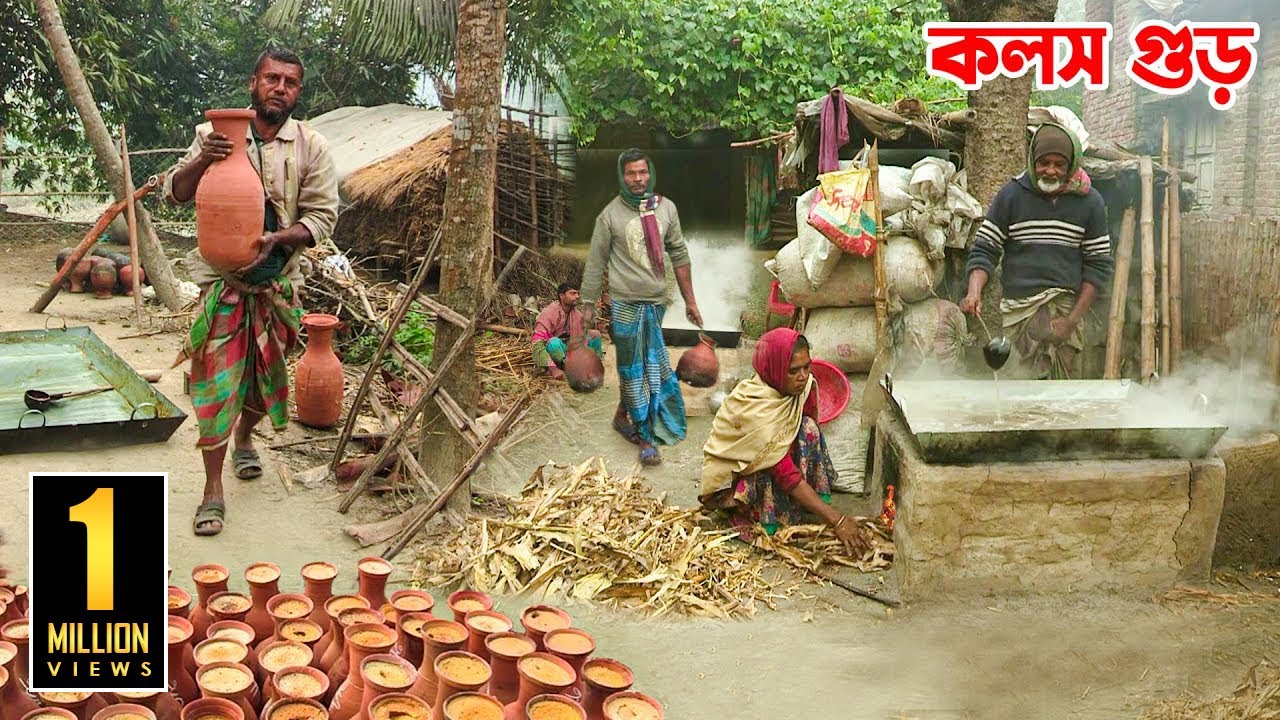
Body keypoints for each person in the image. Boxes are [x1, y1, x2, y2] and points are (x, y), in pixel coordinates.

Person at [164, 48, 339, 536]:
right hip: (222, 284)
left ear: (298, 91)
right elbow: (176, 192)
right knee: (217, 384)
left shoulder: (310, 145)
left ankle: (245, 437)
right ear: (253, 83)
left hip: (278, 284)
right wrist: (204, 158)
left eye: (290, 82)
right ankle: (212, 490)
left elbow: (323, 216)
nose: (279, 88)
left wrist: (279, 238)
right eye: (271, 78)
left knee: (264, 379)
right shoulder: (211, 135)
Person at [960, 122, 1112, 379]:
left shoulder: (1090, 202)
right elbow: (985, 248)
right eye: (1044, 163)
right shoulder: (1011, 195)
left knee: (1063, 396)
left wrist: (1071, 322)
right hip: (1018, 316)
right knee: (1016, 393)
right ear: (1032, 160)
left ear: (1071, 165)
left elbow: (1098, 268)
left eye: (1059, 164)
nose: (1050, 171)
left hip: (1064, 315)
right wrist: (974, 292)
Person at [580, 149, 702, 466]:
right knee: (634, 369)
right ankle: (646, 436)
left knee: (649, 364)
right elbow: (595, 262)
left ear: (651, 173)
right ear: (622, 177)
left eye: (643, 172)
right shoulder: (610, 216)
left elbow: (680, 255)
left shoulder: (666, 209)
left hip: (657, 302)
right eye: (631, 173)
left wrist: (690, 300)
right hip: (625, 304)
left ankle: (623, 416)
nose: (638, 179)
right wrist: (588, 304)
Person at [698, 328, 865, 555]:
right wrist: (836, 519)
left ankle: (798, 504)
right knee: (769, 458)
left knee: (808, 429)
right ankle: (761, 516)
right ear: (774, 369)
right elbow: (783, 471)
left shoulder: (803, 388)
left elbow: (800, 431)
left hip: (783, 467)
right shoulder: (752, 405)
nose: (803, 376)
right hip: (748, 478)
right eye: (793, 371)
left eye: (807, 367)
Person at [532, 281, 603, 379]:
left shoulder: (576, 314)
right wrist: (553, 369)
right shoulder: (549, 313)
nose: (577, 296)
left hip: (569, 350)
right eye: (573, 293)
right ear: (562, 296)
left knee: (594, 334)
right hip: (554, 353)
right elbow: (537, 342)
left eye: (577, 293)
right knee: (553, 342)